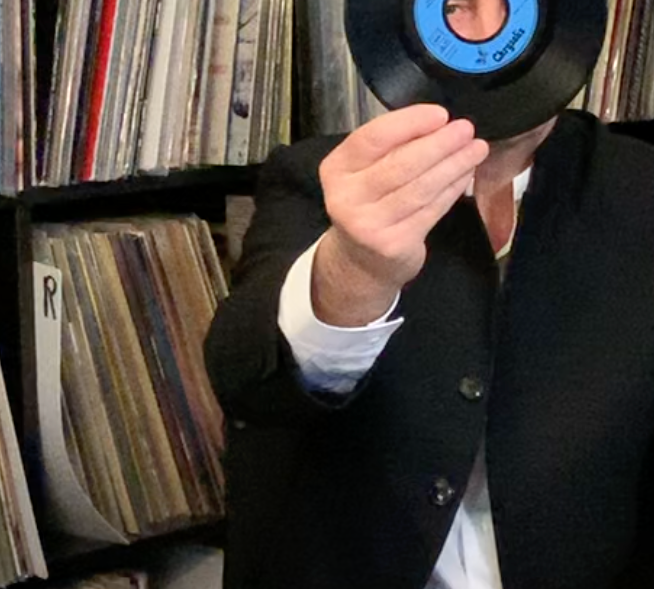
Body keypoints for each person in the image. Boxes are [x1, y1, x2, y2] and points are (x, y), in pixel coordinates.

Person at [205, 101, 654, 589]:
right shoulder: (320, 176)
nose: (491, 60)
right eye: (457, 20)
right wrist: (351, 269)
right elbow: (245, 376)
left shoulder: (638, 186)